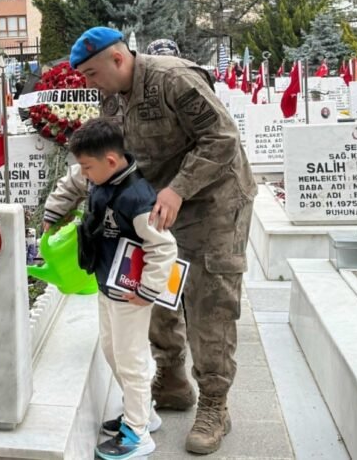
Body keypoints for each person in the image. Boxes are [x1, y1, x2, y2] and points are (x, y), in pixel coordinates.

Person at [43, 27, 256, 455]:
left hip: (212, 200)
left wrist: (178, 188)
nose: (86, 82)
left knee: (208, 300)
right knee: (150, 287)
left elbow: (222, 138)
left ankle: (215, 403)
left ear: (118, 60)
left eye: (90, 73)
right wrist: (61, 205)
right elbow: (108, 159)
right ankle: (172, 378)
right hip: (154, 206)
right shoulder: (112, 97)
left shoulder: (174, 79)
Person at [65, 118, 177, 460]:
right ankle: (142, 412)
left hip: (132, 294)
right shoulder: (103, 182)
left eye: (86, 166)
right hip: (108, 287)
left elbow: (164, 247)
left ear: (111, 161)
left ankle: (137, 433)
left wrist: (148, 290)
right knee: (113, 352)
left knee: (131, 360)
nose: (83, 173)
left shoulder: (137, 198)